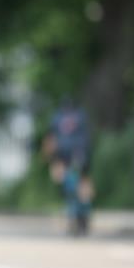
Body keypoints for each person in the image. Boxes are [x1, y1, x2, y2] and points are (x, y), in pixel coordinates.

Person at [43, 98, 94, 235]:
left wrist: (52, 158)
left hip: (66, 156)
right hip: (79, 155)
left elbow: (51, 139)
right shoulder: (81, 116)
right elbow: (87, 138)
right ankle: (81, 218)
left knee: (71, 189)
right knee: (80, 187)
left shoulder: (57, 117)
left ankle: (76, 218)